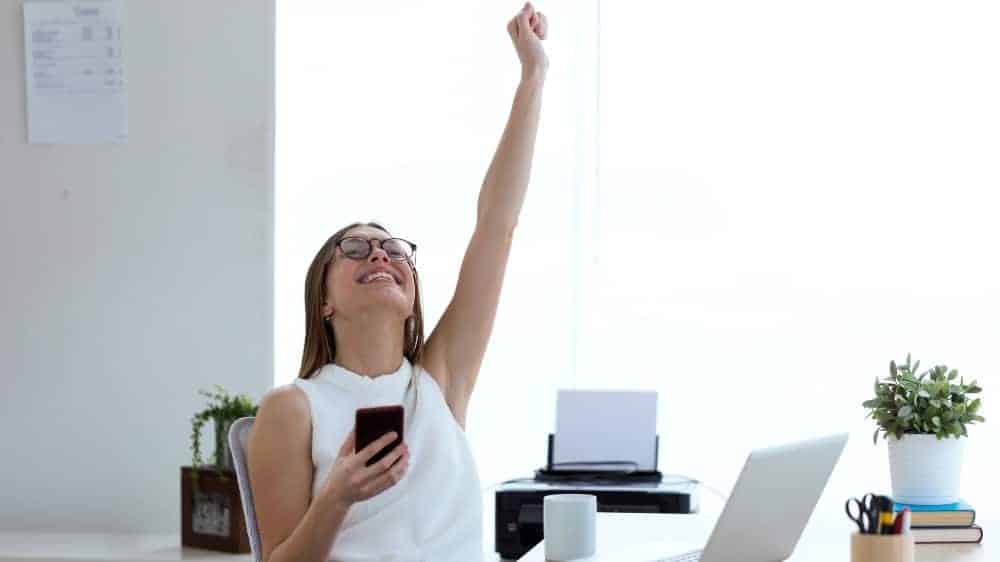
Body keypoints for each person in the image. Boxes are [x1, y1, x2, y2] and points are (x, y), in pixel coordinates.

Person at [247, 4, 549, 561]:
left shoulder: (439, 383)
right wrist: (335, 497)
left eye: (393, 249)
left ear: (411, 301)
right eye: (355, 248)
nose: (381, 254)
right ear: (324, 301)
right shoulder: (294, 408)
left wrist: (533, 75)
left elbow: (496, 227)